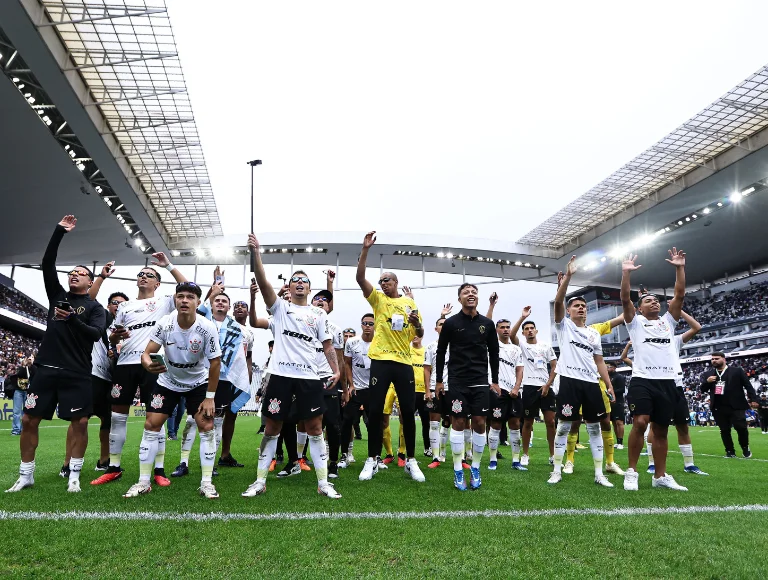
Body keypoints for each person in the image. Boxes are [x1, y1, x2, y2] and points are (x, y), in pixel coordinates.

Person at [6, 215, 107, 494]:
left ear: (90, 282)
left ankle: (74, 474)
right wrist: (59, 231)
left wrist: (72, 319)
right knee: (28, 419)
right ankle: (26, 474)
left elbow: (95, 334)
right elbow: (47, 264)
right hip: (46, 370)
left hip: (77, 373)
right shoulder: (57, 297)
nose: (74, 274)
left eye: (81, 273)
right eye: (71, 272)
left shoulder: (97, 309)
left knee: (81, 422)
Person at [242, 233, 341, 499]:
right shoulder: (280, 308)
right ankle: (260, 480)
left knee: (315, 429)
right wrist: (257, 254)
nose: (299, 283)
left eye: (304, 281)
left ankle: (323, 483)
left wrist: (337, 370)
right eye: (295, 280)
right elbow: (263, 284)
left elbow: (328, 346)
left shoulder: (319, 314)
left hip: (309, 378)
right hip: (281, 376)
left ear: (310, 289)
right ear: (289, 287)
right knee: (273, 427)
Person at [92, 251, 188, 486]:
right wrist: (116, 336)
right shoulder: (125, 306)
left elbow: (187, 288)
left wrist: (168, 265)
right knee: (117, 417)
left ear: (158, 282)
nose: (143, 277)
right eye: (141, 274)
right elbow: (113, 340)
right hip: (125, 365)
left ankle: (159, 469)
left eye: (149, 274)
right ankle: (113, 467)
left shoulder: (166, 301)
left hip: (154, 364)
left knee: (157, 417)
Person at [122, 281, 222, 499]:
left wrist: (210, 398)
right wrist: (147, 364)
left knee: (206, 425)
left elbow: (215, 363)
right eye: (180, 296)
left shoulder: (207, 327)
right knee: (151, 424)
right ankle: (143, 482)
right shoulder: (165, 322)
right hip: (167, 381)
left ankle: (206, 483)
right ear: (175, 299)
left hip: (197, 382)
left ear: (198, 302)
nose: (184, 300)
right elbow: (147, 353)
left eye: (190, 297)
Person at [355, 231, 425, 483]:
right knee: (375, 411)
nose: (383, 283)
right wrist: (365, 250)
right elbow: (359, 277)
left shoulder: (409, 304)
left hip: (404, 362)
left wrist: (416, 323)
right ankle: (372, 459)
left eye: (387, 280)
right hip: (381, 361)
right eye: (381, 280)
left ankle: (411, 461)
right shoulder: (378, 300)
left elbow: (420, 333)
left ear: (396, 282)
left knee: (408, 412)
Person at [171, 274, 253, 478]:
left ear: (229, 307)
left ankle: (211, 462)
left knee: (216, 422)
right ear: (212, 303)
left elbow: (242, 358)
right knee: (192, 420)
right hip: (199, 376)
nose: (220, 303)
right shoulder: (199, 320)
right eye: (217, 300)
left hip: (224, 379)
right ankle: (183, 462)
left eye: (224, 301)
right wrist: (213, 290)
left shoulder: (239, 330)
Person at [621, 249, 689, 492]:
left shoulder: (668, 322)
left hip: (667, 382)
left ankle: (660, 476)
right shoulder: (635, 323)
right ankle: (631, 471)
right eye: (648, 300)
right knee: (640, 422)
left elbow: (679, 294)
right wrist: (626, 273)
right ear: (640, 309)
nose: (654, 302)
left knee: (661, 429)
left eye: (656, 300)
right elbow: (625, 299)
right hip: (643, 380)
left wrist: (679, 268)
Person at [549, 256, 614, 488]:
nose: (581, 308)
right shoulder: (563, 326)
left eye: (584, 306)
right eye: (577, 306)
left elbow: (599, 361)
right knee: (564, 426)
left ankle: (599, 473)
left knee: (595, 427)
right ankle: (556, 470)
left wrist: (608, 384)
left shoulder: (594, 334)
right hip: (569, 381)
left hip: (591, 383)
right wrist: (568, 278)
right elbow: (557, 304)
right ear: (568, 311)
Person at [62, 264, 127, 476]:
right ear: (108, 306)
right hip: (91, 374)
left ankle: (104, 460)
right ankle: (67, 463)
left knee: (107, 420)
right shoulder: (102, 317)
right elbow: (88, 299)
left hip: (112, 378)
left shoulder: (132, 325)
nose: (118, 306)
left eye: (123, 304)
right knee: (79, 419)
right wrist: (101, 277)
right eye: (115, 303)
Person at [435, 283, 499, 491]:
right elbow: (441, 352)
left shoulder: (487, 324)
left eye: (473, 292)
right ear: (459, 299)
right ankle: (457, 470)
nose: (470, 294)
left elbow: (494, 354)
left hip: (480, 380)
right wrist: (439, 381)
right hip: (457, 381)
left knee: (480, 422)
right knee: (459, 421)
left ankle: (475, 468)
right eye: (465, 292)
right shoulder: (451, 323)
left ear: (477, 298)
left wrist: (495, 380)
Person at [505, 304, 558, 467]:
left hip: (545, 387)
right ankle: (525, 454)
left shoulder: (546, 346)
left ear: (536, 330)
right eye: (526, 329)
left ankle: (553, 455)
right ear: (523, 332)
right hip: (528, 387)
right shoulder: (521, 346)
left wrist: (548, 385)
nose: (529, 330)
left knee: (550, 421)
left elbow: (555, 367)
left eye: (531, 328)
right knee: (527, 422)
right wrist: (523, 317)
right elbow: (511, 334)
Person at [310, 288, 345, 477]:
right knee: (308, 423)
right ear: (311, 303)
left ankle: (332, 462)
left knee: (332, 424)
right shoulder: (302, 324)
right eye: (317, 298)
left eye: (326, 299)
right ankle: (298, 460)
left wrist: (345, 389)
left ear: (329, 305)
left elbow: (340, 361)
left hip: (329, 380)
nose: (321, 301)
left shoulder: (336, 330)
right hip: (307, 379)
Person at [700, 352, 759, 458]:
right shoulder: (708, 374)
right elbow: (702, 390)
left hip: (736, 405)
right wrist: (707, 382)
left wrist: (753, 399)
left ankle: (745, 447)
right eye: (712, 359)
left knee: (741, 428)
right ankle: (730, 451)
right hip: (718, 406)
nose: (714, 361)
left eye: (717, 358)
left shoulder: (737, 371)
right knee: (724, 430)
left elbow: (748, 386)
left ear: (724, 359)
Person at [487, 318, 525, 470]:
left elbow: (520, 370)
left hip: (513, 391)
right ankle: (492, 460)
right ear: (496, 330)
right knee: (496, 424)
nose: (506, 330)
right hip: (498, 390)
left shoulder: (516, 349)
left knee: (515, 424)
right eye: (502, 327)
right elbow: (487, 322)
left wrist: (516, 387)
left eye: (508, 327)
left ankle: (516, 461)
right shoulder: (491, 345)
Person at [339, 314, 375, 468]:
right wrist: (351, 385)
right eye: (365, 323)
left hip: (373, 389)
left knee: (375, 424)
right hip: (356, 389)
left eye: (371, 323)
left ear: (376, 326)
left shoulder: (380, 342)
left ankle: (375, 457)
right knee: (347, 422)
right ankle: (344, 456)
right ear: (361, 325)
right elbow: (347, 363)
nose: (367, 326)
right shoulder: (352, 342)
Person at [424, 307, 453, 469]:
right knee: (434, 423)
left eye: (445, 324)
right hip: (436, 388)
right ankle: (435, 457)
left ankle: (458, 457)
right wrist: (428, 390)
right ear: (436, 329)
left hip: (453, 389)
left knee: (454, 422)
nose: (443, 326)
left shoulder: (456, 345)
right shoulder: (430, 347)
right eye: (440, 324)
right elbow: (427, 369)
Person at [6, 358, 35, 436]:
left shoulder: (33, 368)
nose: (28, 361)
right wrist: (24, 365)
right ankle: (16, 430)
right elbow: (20, 374)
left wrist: (32, 364)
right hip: (18, 391)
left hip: (28, 392)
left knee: (26, 412)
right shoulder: (21, 368)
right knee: (16, 412)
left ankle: (24, 429)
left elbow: (34, 374)